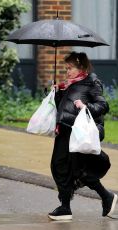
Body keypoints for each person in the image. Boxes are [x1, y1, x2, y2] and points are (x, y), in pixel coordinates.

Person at [48, 51, 117, 221]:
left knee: (76, 169)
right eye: (66, 68)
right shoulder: (69, 85)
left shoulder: (91, 82)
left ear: (81, 67)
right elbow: (63, 109)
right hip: (65, 130)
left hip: (78, 133)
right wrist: (56, 93)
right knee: (60, 167)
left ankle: (71, 206)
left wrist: (85, 106)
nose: (67, 72)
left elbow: (103, 105)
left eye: (70, 68)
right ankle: (68, 207)